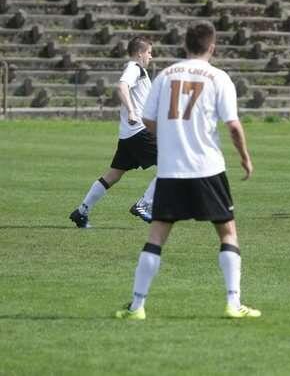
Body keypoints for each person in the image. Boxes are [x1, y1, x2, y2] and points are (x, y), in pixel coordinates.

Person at [115, 21, 260, 320]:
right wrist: (245, 158)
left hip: (171, 170)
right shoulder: (219, 77)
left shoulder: (165, 75)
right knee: (227, 232)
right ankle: (233, 304)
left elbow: (148, 120)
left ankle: (137, 306)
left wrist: (169, 139)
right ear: (212, 47)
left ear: (185, 45)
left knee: (156, 235)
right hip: (208, 168)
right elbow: (233, 126)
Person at [69, 36, 156, 228]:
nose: (151, 56)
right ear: (140, 53)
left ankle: (81, 211)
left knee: (113, 175)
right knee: (172, 164)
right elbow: (121, 86)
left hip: (128, 135)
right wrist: (132, 111)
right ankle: (144, 204)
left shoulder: (139, 71)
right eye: (149, 52)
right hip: (139, 132)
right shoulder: (135, 68)